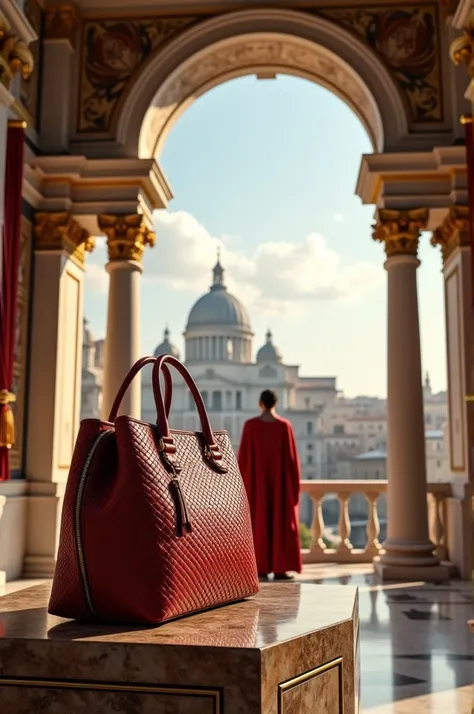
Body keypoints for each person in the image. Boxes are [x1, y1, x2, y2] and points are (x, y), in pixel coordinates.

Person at [238, 389, 302, 581]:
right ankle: (281, 568)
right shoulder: (284, 426)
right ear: (276, 403)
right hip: (280, 486)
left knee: (259, 523)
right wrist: (292, 488)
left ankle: (260, 567)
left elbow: (243, 459)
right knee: (281, 523)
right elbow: (292, 461)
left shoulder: (250, 426)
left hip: (257, 486)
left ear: (260, 403)